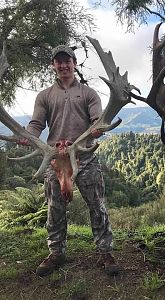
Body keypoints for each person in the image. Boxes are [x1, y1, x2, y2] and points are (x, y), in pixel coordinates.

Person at [21, 45, 120, 277]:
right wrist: (29, 137)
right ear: (53, 65)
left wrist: (97, 129)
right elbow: (36, 124)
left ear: (74, 63)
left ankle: (105, 252)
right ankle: (56, 252)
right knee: (54, 209)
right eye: (59, 62)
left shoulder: (88, 93)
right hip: (56, 160)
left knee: (97, 206)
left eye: (67, 61)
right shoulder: (44, 96)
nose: (63, 65)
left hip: (84, 157)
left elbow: (98, 119)